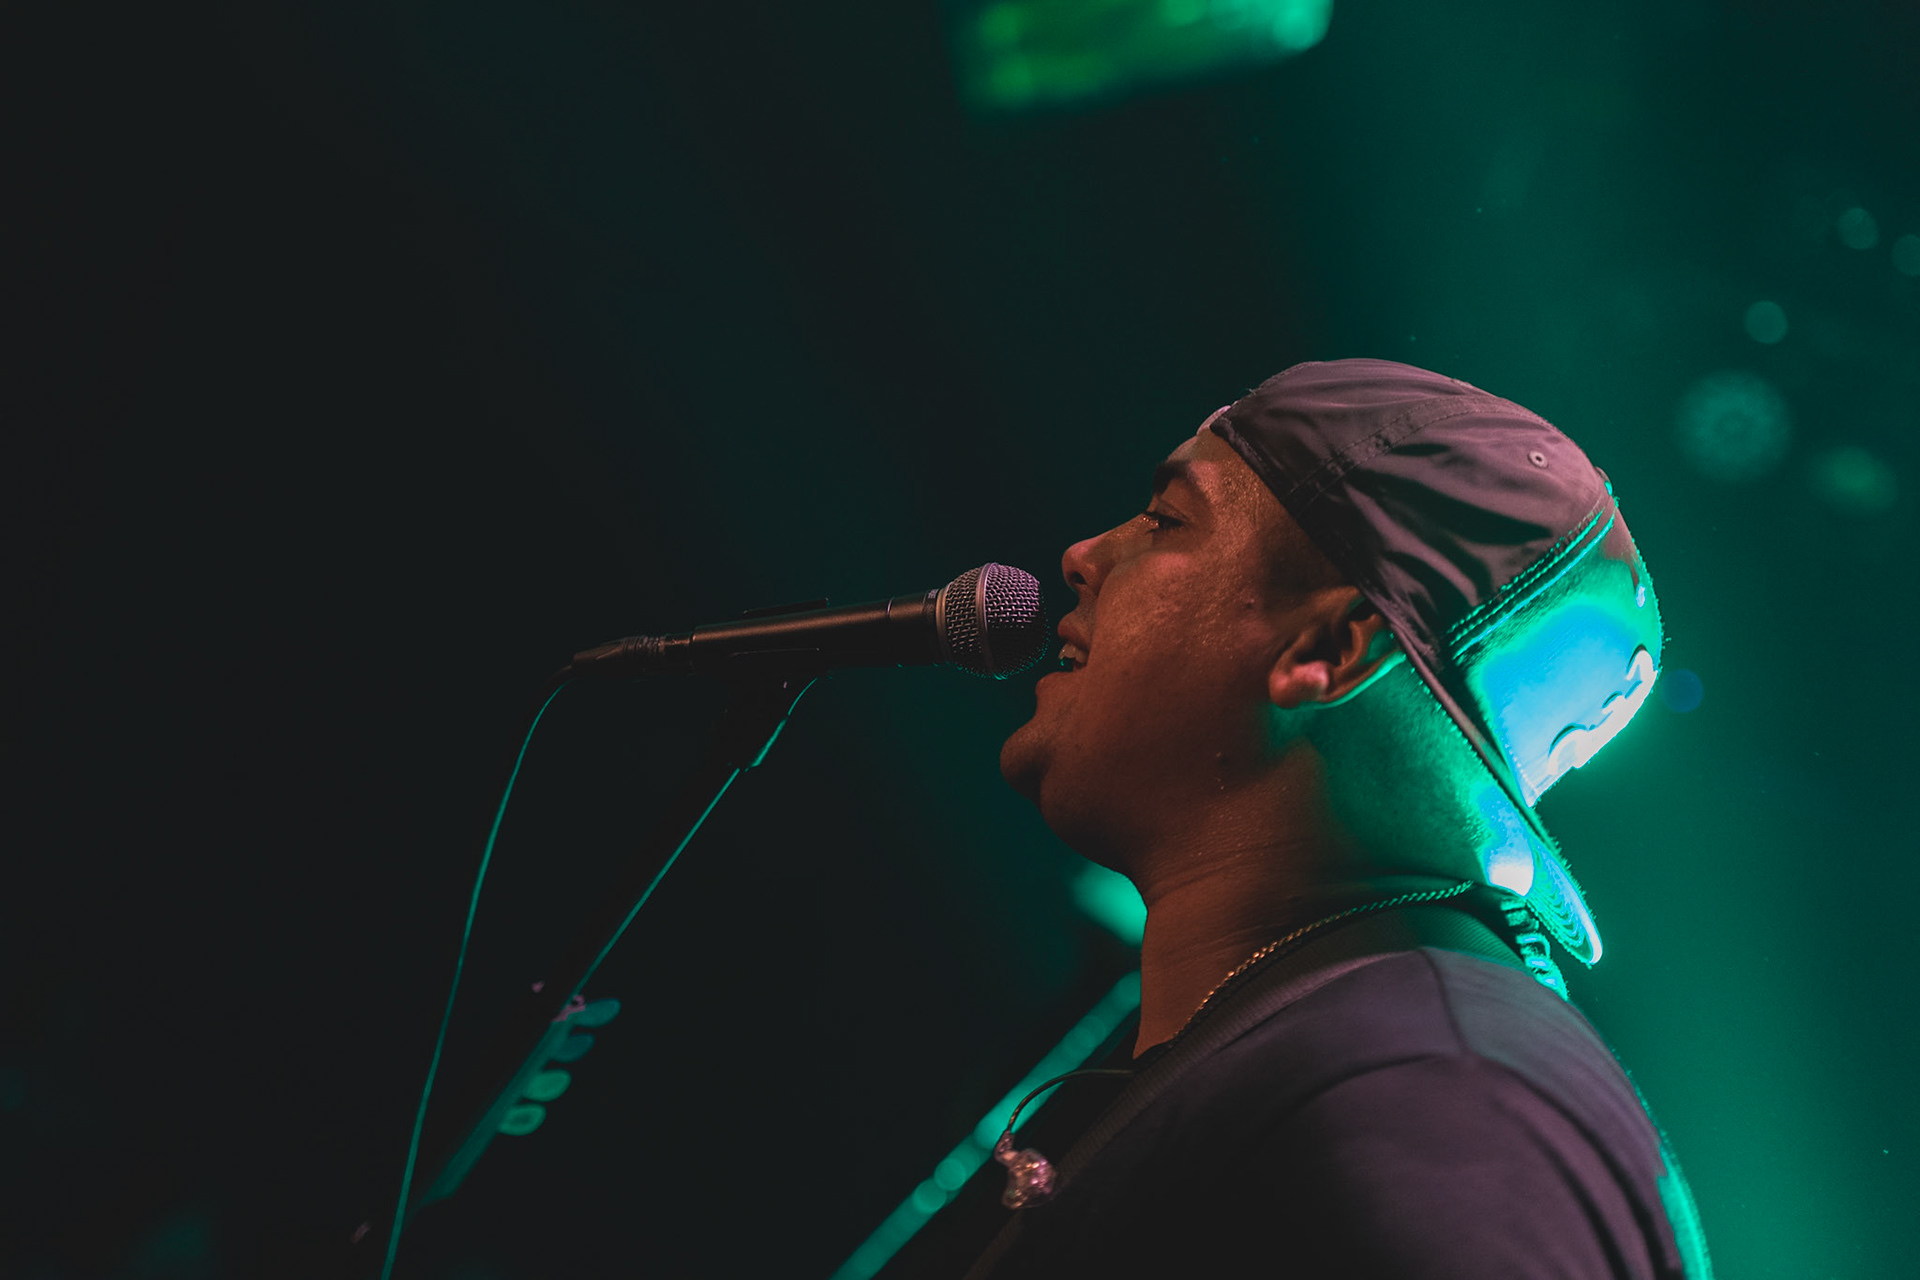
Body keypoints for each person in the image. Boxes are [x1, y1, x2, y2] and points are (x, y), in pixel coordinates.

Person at [894, 360, 1711, 1278]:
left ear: (1329, 647)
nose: (1083, 556)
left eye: (1166, 520)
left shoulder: (1427, 1088)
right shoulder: (1365, 1049)